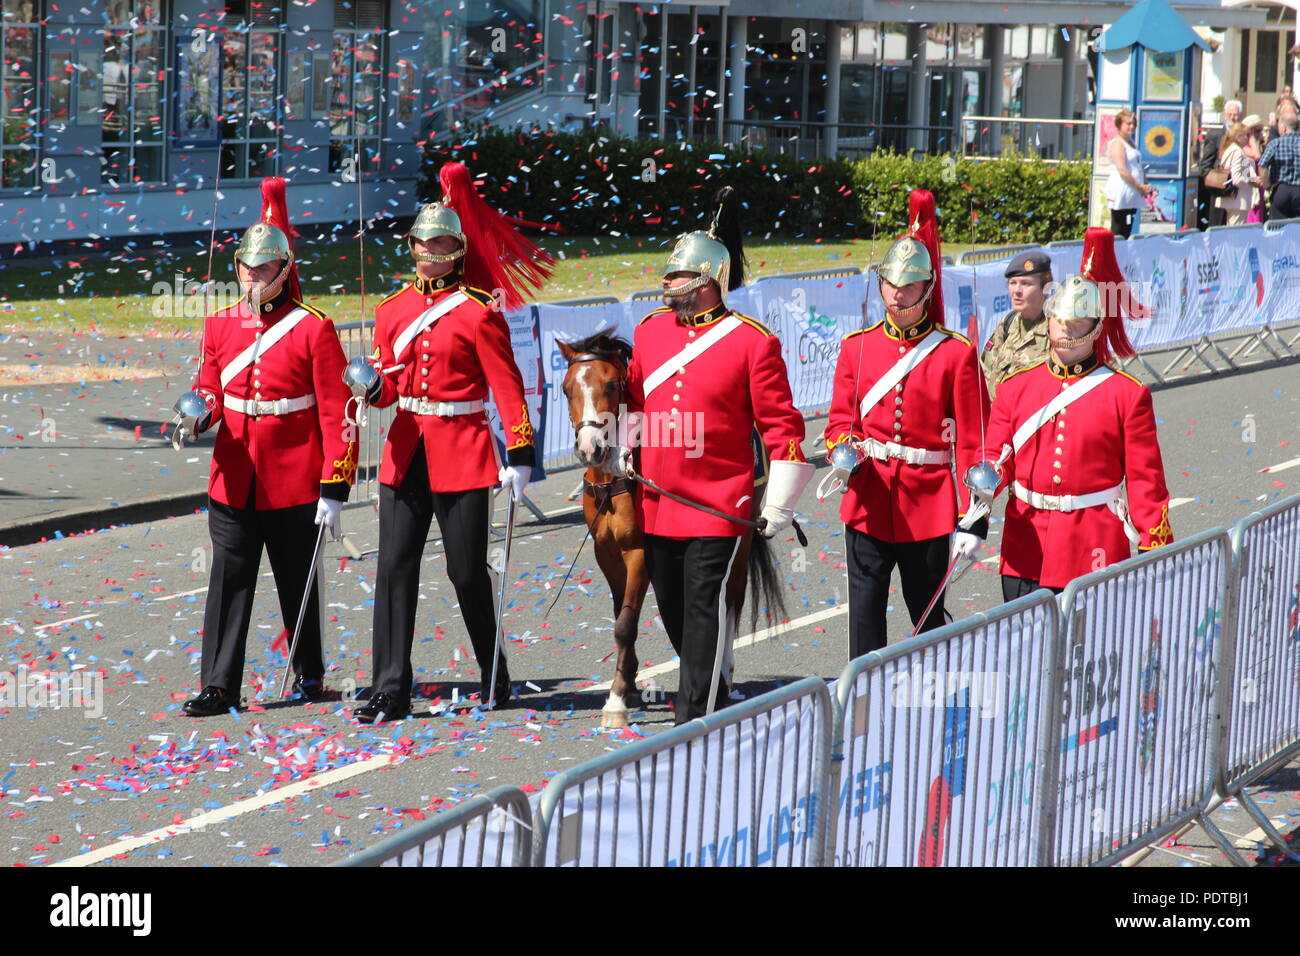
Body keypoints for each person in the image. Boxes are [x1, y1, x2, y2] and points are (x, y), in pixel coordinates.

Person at [352, 162, 552, 724]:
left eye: (441, 243)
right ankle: (390, 687)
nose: (429, 251)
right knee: (394, 566)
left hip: (462, 451)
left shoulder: (477, 311)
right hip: (406, 447)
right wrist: (372, 386)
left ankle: (493, 669)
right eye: (423, 242)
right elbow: (390, 388)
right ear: (412, 246)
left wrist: (520, 452)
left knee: (465, 571)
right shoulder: (392, 310)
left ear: (457, 250)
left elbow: (507, 387)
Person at [614, 189, 813, 723]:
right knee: (674, 611)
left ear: (706, 281)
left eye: (677, 277)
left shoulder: (752, 342)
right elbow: (636, 400)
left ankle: (693, 718)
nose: (667, 284)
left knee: (704, 606)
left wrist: (779, 504)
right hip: (658, 499)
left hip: (718, 506)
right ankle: (711, 695)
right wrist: (626, 447)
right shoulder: (650, 331)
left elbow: (782, 426)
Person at [176, 178, 357, 716]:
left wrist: (335, 483)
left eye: (262, 271)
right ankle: (219, 684)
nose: (251, 279)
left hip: (294, 477)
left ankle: (308, 673)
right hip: (233, 474)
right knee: (229, 580)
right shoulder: (219, 323)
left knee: (296, 580)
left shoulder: (313, 328)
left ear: (283, 271)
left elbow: (335, 413)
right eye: (245, 270)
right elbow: (211, 383)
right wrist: (199, 411)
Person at [823, 190, 990, 660]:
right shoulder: (856, 346)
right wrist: (845, 450)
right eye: (891, 285)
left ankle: (926, 705)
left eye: (909, 286)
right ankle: (863, 707)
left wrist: (974, 518)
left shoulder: (955, 353)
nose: (898, 295)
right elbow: (841, 421)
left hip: (929, 506)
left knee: (927, 624)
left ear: (928, 288)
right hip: (868, 503)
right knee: (863, 623)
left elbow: (975, 443)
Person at [977, 228, 1171, 601]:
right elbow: (994, 458)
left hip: (1093, 547)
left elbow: (1146, 482)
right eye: (1059, 323)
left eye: (1077, 325)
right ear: (1048, 321)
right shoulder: (1017, 386)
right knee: (1025, 653)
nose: (1065, 333)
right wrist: (975, 515)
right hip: (1025, 544)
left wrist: (1152, 547)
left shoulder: (1127, 394)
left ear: (1097, 328)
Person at [980, 251, 1053, 398]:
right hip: (999, 417)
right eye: (1013, 283)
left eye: (1026, 284)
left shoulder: (1058, 329)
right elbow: (985, 371)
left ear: (1046, 288)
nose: (1016, 291)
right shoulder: (1008, 323)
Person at [1106, 109, 1155, 238]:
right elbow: (1122, 169)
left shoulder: (1131, 143)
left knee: (1127, 227)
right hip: (1123, 190)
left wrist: (1145, 184)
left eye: (1133, 123)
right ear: (1119, 125)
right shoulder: (1118, 143)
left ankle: (1124, 254)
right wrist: (1139, 186)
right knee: (1119, 227)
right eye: (1128, 123)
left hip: (1133, 191)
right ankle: (1115, 255)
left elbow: (1138, 166)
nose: (1131, 126)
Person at [1199, 99, 1242, 229]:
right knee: (1217, 227)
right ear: (1225, 115)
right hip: (1219, 189)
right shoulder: (1215, 135)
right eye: (1230, 114)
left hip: (1237, 192)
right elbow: (1205, 164)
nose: (1233, 118)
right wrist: (1212, 182)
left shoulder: (1243, 135)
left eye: (1236, 115)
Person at [1215, 123, 1262, 226]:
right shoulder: (1237, 152)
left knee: (1232, 231)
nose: (1248, 138)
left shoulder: (1230, 149)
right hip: (1238, 200)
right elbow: (1236, 178)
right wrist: (1251, 181)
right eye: (1247, 135)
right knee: (1235, 233)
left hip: (1233, 199)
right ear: (1239, 137)